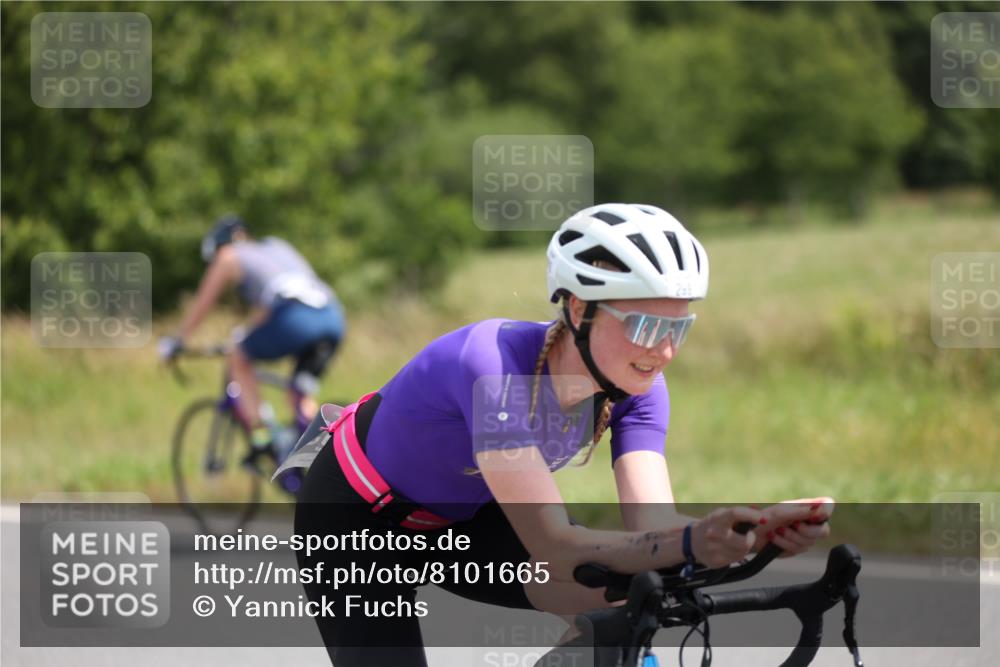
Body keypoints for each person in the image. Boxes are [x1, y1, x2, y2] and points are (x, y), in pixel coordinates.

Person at [294, 203, 832, 666]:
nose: (663, 351)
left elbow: (655, 526)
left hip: (466, 520)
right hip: (354, 523)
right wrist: (695, 541)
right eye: (646, 326)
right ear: (579, 308)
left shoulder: (641, 388)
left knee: (622, 597)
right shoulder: (492, 366)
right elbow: (552, 542)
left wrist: (750, 536)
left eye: (678, 328)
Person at [159, 214, 345, 471]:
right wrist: (246, 333)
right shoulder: (277, 246)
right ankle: (331, 459)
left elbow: (204, 302)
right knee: (299, 396)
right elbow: (269, 308)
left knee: (238, 358)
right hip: (332, 317)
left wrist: (177, 340)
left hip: (296, 318)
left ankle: (262, 439)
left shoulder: (228, 255)